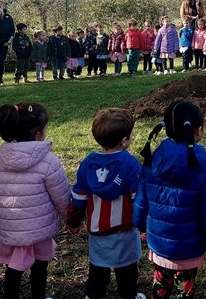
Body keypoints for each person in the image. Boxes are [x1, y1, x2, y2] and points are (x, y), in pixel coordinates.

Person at [134, 100, 206, 299]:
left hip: (159, 243)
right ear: (199, 131)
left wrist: (139, 225)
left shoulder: (152, 159)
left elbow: (141, 198)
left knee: (160, 286)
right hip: (189, 248)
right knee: (183, 291)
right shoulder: (204, 168)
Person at [0, 102, 71, 299]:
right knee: (40, 267)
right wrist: (70, 217)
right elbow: (62, 196)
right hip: (40, 229)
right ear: (39, 133)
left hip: (10, 229)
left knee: (13, 268)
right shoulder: (49, 162)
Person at [66, 108, 145, 299]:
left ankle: (93, 295)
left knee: (98, 269)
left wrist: (73, 221)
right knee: (127, 271)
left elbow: (78, 198)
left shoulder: (87, 164)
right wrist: (143, 225)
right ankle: (129, 295)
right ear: (124, 140)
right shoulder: (131, 163)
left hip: (97, 230)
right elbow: (139, 198)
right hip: (125, 230)